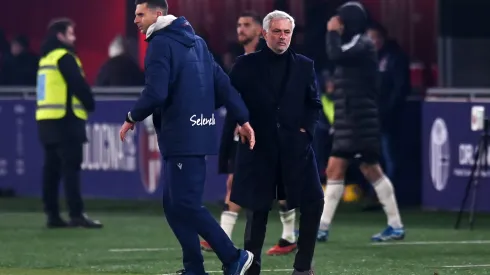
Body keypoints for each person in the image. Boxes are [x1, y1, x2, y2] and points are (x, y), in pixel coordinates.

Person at [119, 1, 255, 274]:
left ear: (158, 14)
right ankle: (194, 267)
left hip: (181, 135)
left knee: (184, 204)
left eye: (140, 14)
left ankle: (234, 257)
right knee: (173, 204)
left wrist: (132, 116)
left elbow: (156, 92)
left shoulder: (159, 44)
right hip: (197, 132)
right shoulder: (198, 42)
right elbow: (223, 85)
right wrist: (242, 118)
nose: (135, 19)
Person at [229, 10, 323, 275]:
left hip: (297, 148)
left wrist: (306, 132)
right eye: (277, 32)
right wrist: (239, 120)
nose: (283, 37)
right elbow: (227, 96)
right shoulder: (245, 65)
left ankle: (303, 268)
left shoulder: (305, 65)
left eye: (287, 32)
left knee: (314, 202)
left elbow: (314, 104)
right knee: (257, 210)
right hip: (259, 148)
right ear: (265, 33)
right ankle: (251, 267)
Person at [201, 11, 298, 257]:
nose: (240, 30)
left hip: (269, 130)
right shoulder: (241, 60)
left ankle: (289, 235)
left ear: (260, 31)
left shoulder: (274, 59)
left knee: (278, 183)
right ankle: (222, 236)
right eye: (238, 25)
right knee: (235, 179)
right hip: (244, 128)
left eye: (246, 25)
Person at [318, 1, 405, 242]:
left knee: (348, 168)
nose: (337, 23)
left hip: (358, 121)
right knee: (366, 169)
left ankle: (322, 227)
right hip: (353, 119)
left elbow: (334, 54)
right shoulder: (357, 44)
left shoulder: (362, 43)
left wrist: (331, 32)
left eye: (341, 20)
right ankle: (395, 225)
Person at [36, 18, 101, 228]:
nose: (74, 38)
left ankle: (52, 215)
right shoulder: (65, 57)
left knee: (51, 170)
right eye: (71, 33)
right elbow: (78, 84)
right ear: (60, 35)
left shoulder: (46, 59)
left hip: (46, 122)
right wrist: (90, 103)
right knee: (71, 168)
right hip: (67, 120)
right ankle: (76, 214)